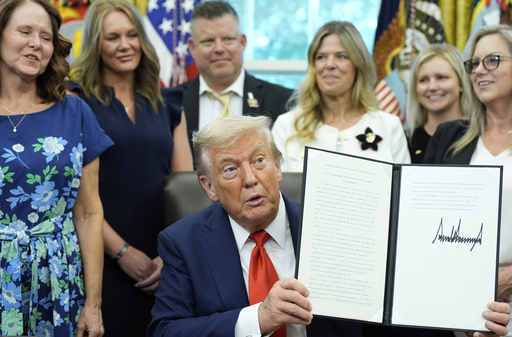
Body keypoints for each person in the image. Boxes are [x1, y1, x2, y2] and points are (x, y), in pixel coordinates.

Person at [148, 115, 511, 337]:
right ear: (208, 187)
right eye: (230, 169)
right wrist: (258, 318)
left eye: (259, 161)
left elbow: (390, 305)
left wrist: (462, 319)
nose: (250, 179)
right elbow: (166, 331)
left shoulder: (336, 224)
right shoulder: (182, 242)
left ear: (278, 167)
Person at [67, 0, 194, 335]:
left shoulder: (168, 103)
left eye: (131, 34)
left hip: (166, 264)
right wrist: (123, 253)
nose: (125, 45)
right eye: (112, 37)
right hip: (99, 259)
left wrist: (170, 258)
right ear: (95, 44)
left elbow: (184, 191)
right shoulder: (75, 101)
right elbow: (77, 197)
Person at [0, 0, 114, 335]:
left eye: (46, 37)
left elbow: (89, 212)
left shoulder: (75, 112)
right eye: (24, 31)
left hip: (58, 279)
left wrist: (93, 304)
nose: (36, 44)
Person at [423, 24, 512, 335]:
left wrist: (508, 279)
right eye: (474, 63)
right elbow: (422, 220)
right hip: (453, 297)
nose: (479, 71)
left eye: (493, 60)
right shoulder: (449, 136)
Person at [271, 21, 410, 172]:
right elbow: (275, 191)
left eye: (341, 56)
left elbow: (403, 193)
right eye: (321, 57)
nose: (329, 64)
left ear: (358, 65)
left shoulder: (389, 126)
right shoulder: (287, 125)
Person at [179, 0, 293, 147]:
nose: (219, 48)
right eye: (208, 41)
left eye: (228, 39)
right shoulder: (170, 103)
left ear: (243, 42)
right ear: (192, 47)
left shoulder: (284, 102)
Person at [406, 43, 472, 163]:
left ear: (462, 83)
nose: (432, 87)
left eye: (441, 77)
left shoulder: (480, 136)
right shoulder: (404, 141)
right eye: (423, 80)